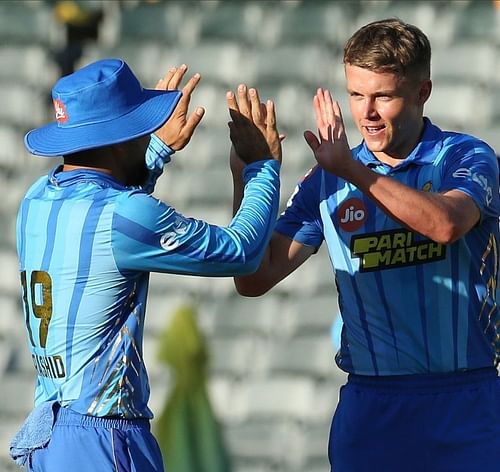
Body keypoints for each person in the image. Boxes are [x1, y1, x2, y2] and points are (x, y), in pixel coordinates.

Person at [229, 18, 500, 472]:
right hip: (372, 407)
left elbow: (447, 224)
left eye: (383, 96)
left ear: (422, 92)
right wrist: (250, 173)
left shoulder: (466, 156)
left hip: (466, 402)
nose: (366, 113)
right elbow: (253, 278)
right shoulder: (327, 178)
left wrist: (355, 173)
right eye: (356, 95)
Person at [10, 58, 282, 471]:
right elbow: (241, 254)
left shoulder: (35, 199)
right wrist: (262, 168)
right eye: (141, 127)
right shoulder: (124, 213)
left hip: (48, 436)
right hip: (103, 437)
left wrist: (154, 154)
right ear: (119, 139)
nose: (148, 133)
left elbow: (105, 216)